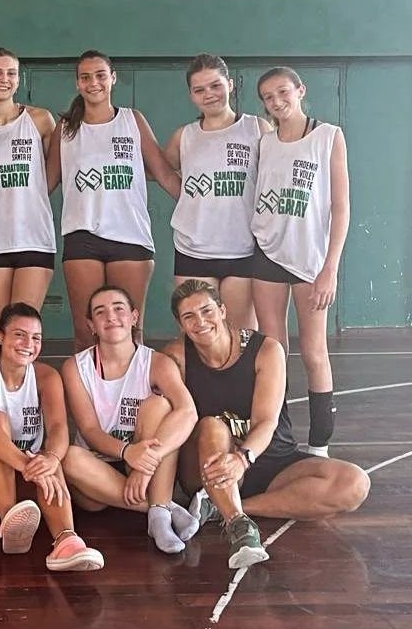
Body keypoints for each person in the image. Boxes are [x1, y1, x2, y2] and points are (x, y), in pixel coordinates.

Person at [164, 279, 369, 568]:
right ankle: (238, 524)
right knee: (212, 426)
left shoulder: (266, 350)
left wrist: (242, 458)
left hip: (270, 459)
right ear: (181, 325)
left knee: (354, 483)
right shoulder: (175, 358)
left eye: (207, 311)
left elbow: (266, 422)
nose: (200, 322)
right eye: (189, 316)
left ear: (222, 311)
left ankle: (219, 508)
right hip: (209, 465)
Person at [0, 303, 104, 572]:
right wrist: (28, 464)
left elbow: (59, 428)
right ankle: (11, 521)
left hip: (18, 476)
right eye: (19, 335)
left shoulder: (46, 376)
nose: (28, 344)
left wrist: (51, 459)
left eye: (36, 337)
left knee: (47, 458)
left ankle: (67, 541)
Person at [46, 50, 181, 348]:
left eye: (100, 75)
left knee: (131, 332)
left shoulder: (132, 120)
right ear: (77, 83)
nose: (93, 83)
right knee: (86, 332)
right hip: (82, 236)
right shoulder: (65, 129)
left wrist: (201, 209)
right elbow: (45, 184)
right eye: (85, 77)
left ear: (113, 78)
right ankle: (88, 382)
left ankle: (132, 382)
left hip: (130, 235)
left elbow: (164, 174)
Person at [250, 67, 351, 457]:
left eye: (282, 92)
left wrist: (330, 268)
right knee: (273, 351)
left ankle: (320, 444)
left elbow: (340, 207)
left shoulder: (328, 136)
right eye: (268, 97)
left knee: (313, 350)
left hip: (311, 259)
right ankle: (278, 438)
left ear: (300, 90)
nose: (276, 102)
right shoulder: (265, 142)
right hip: (268, 252)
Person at [60, 286, 199, 554]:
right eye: (100, 312)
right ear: (91, 325)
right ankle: (161, 507)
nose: (111, 316)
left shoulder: (157, 362)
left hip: (148, 466)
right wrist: (127, 452)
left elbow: (188, 412)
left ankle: (158, 517)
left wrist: (144, 464)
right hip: (96, 471)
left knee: (159, 406)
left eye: (118, 308)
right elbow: (89, 430)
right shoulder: (75, 367)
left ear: (134, 317)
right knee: (69, 457)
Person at [164, 54, 271, 330]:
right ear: (191, 95)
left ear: (230, 85)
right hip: (193, 249)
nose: (208, 94)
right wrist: (186, 197)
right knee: (198, 335)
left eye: (215, 85)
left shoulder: (256, 128)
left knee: (241, 336)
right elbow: (160, 171)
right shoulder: (184, 136)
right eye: (199, 89)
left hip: (241, 249)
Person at [0, 48, 57, 330]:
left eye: (11, 73)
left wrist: (31, 196)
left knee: (23, 327)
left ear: (18, 80)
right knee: (1, 329)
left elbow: (54, 173)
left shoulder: (40, 120)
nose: (4, 79)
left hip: (33, 238)